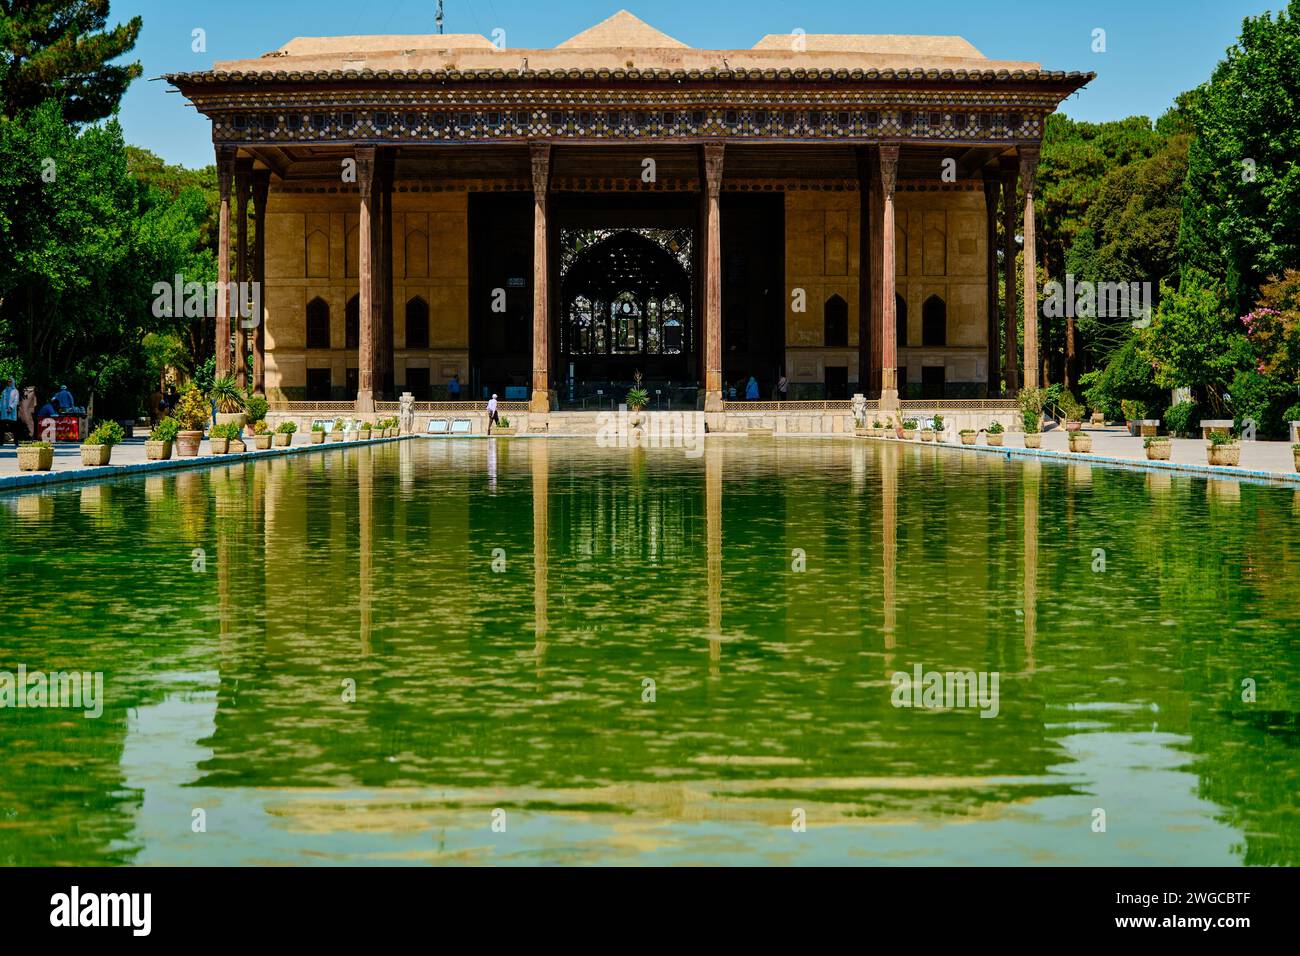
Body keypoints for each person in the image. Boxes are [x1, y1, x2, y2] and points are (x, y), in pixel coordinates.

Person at [1, 378, 20, 446]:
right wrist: (0, 409)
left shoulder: (15, 391)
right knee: (2, 427)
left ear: (13, 382)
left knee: (14, 427)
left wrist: (11, 408)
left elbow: (16, 401)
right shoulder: (4, 391)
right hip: (4, 412)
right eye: (8, 381)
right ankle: (1, 442)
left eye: (10, 381)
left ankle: (16, 442)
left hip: (11, 412)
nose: (9, 382)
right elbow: (1, 400)